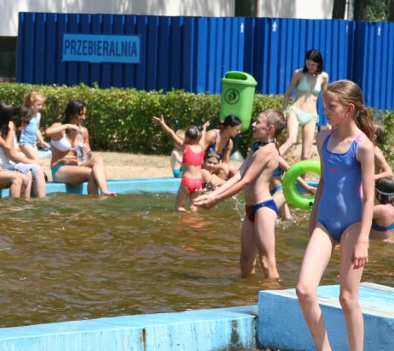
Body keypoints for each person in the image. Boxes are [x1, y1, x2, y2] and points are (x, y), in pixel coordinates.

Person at [295, 79, 375, 351]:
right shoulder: (323, 139)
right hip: (325, 223)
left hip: (353, 224)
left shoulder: (363, 147)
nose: (325, 111)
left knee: (347, 297)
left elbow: (369, 198)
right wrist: (313, 219)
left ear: (349, 108)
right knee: (304, 290)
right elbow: (324, 184)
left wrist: (364, 237)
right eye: (324, 105)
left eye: (330, 106)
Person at [195, 109, 286, 279]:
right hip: (250, 209)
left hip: (263, 209)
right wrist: (213, 194)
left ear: (270, 128)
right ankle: (246, 300)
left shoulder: (268, 151)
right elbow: (238, 174)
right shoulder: (257, 147)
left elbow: (245, 182)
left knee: (267, 263)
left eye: (258, 122)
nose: (253, 124)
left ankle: (275, 302)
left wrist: (216, 200)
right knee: (245, 261)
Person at [45, 99, 116, 196]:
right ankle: (94, 200)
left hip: (76, 167)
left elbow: (84, 159)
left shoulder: (83, 131)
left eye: (84, 114)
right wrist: (68, 125)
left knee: (98, 159)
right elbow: (48, 132)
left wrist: (88, 152)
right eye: (81, 114)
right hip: (59, 169)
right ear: (71, 114)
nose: (84, 118)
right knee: (92, 173)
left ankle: (104, 190)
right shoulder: (59, 127)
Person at [279, 49, 329, 160]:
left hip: (311, 116)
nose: (310, 66)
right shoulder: (299, 74)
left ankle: (302, 178)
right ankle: (271, 158)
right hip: (295, 111)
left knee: (306, 155)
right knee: (292, 140)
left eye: (313, 64)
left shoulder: (323, 77)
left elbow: (325, 99)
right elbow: (288, 94)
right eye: (308, 63)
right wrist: (283, 111)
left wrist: (328, 120)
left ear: (319, 64)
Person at [152, 115, 204, 212]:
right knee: (193, 207)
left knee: (179, 207)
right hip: (199, 182)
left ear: (186, 137)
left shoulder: (185, 147)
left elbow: (172, 134)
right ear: (198, 138)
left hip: (187, 181)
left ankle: (185, 219)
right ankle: (193, 223)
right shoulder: (202, 148)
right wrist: (204, 128)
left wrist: (162, 123)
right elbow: (202, 136)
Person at [0, 102, 46, 198]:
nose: (27, 125)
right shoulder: (2, 130)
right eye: (27, 122)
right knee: (33, 170)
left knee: (33, 170)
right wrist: (33, 162)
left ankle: (37, 201)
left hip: (7, 164)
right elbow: (10, 153)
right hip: (2, 165)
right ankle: (28, 202)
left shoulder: (6, 130)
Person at [19, 91, 50, 161]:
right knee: (34, 161)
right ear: (31, 104)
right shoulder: (26, 114)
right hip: (25, 142)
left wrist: (42, 141)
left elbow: (37, 129)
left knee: (35, 161)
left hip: (33, 143)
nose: (40, 107)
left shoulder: (38, 115)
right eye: (38, 104)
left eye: (41, 105)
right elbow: (19, 126)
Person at [370, 177, 394, 242]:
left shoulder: (382, 210)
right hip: (386, 244)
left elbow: (358, 214)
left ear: (379, 195)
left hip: (376, 246)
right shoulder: (391, 208)